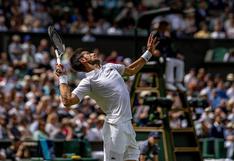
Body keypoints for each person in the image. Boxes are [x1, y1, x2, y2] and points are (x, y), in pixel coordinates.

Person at [55, 33, 159, 161]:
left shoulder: (110, 66)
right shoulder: (88, 82)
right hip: (114, 127)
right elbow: (67, 101)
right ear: (83, 60)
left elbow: (131, 70)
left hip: (128, 125)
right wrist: (62, 78)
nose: (93, 53)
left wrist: (148, 53)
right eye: (88, 53)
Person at [155, 20, 186, 92]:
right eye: (163, 26)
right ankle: (168, 83)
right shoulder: (155, 35)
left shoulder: (167, 37)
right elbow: (149, 46)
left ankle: (178, 82)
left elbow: (172, 48)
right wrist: (154, 50)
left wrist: (177, 54)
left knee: (180, 63)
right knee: (170, 61)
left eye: (165, 26)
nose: (165, 27)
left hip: (167, 57)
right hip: (158, 57)